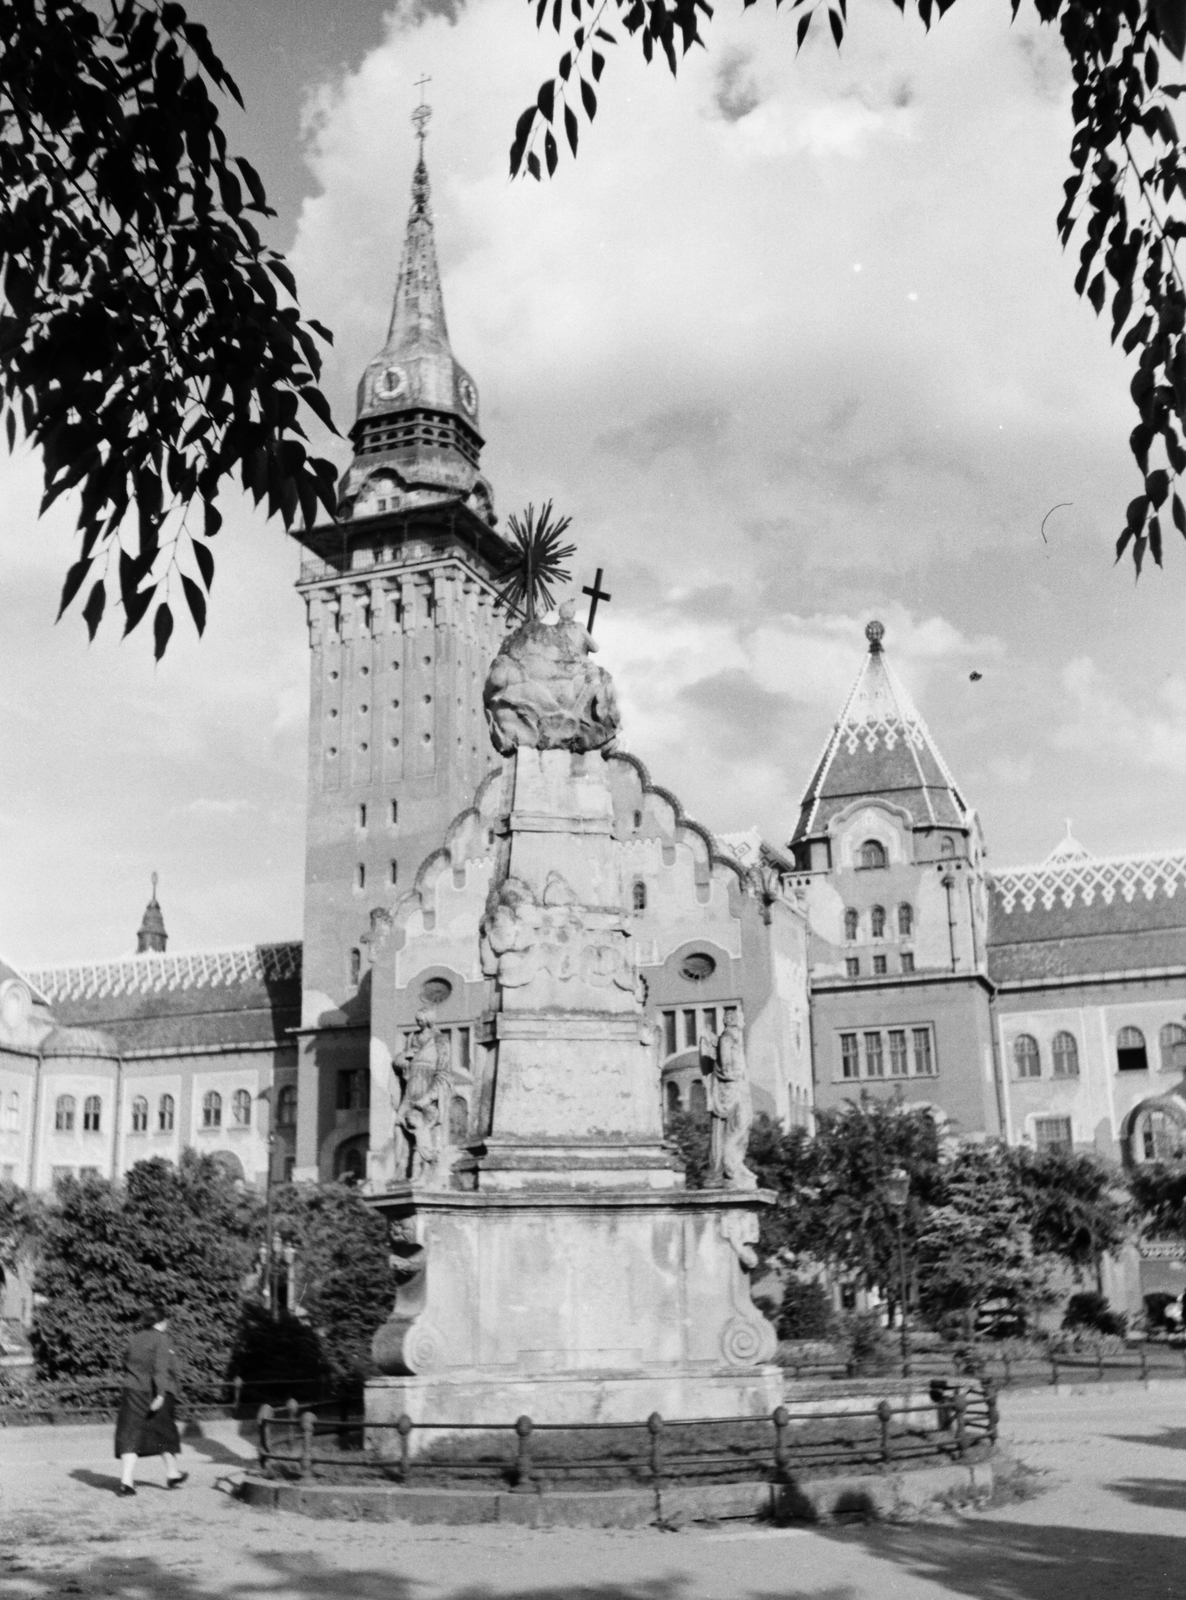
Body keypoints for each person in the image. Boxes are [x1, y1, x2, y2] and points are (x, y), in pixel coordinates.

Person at [113, 1305, 187, 1496]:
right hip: (155, 1392)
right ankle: (172, 1473)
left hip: (132, 1391)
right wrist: (160, 1395)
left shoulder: (133, 1338)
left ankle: (127, 1482)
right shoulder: (163, 1339)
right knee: (163, 1431)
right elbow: (160, 1369)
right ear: (162, 1322)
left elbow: (125, 1362)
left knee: (130, 1432)